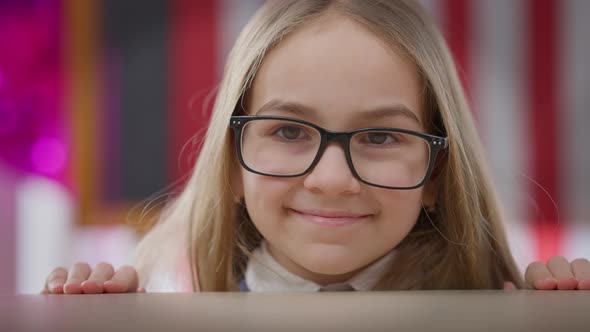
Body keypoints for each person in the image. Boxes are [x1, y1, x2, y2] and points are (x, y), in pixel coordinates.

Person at [43, 0, 589, 294]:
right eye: (287, 131)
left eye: (380, 136)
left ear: (439, 174)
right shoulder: (154, 310)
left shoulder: (512, 312)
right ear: (231, 163)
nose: (331, 180)